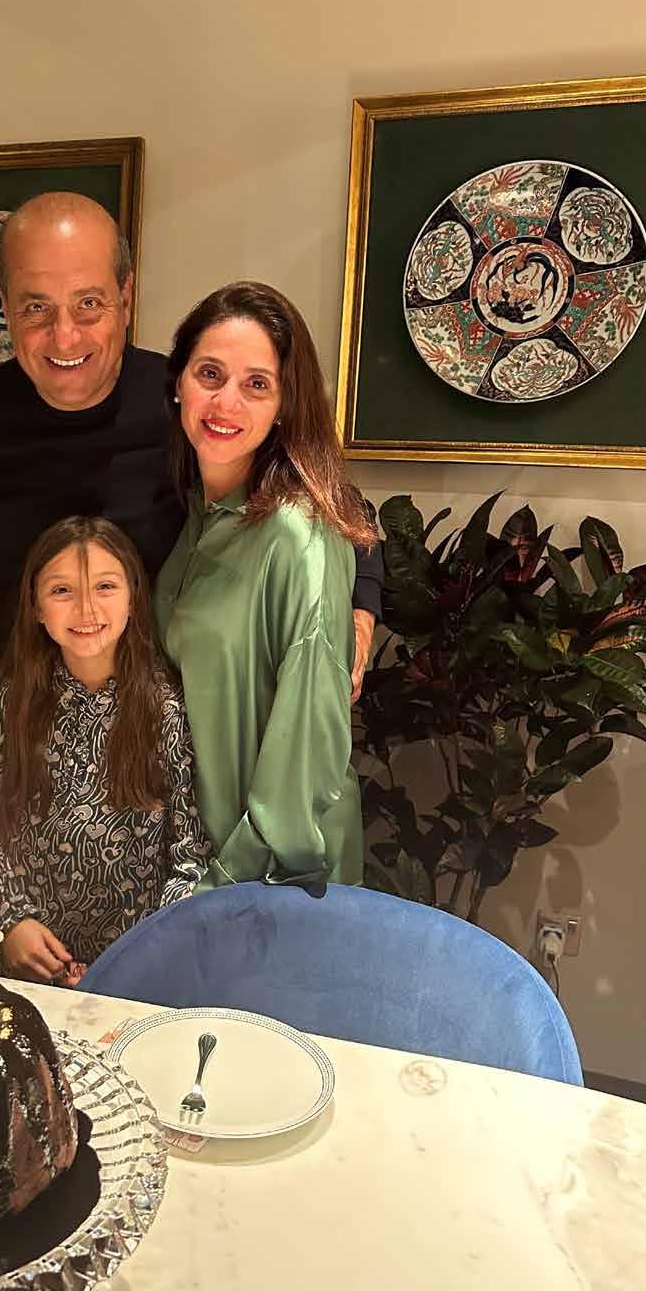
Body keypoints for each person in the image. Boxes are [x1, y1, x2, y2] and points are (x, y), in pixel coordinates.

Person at [0, 193, 382, 768]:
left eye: (88, 304)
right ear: (4, 306)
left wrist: (359, 612)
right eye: (36, 308)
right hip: (3, 748)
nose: (65, 337)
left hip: (152, 752)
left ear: (126, 296)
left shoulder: (185, 403)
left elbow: (332, 503)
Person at [154, 281, 378, 890]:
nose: (226, 402)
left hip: (271, 876)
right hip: (197, 856)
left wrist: (225, 885)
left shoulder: (298, 536)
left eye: (257, 384)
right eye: (210, 374)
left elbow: (307, 759)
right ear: (178, 383)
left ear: (284, 404)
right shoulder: (196, 514)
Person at [0, 514, 210, 983]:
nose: (86, 608)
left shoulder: (165, 710)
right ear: (36, 606)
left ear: (134, 596)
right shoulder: (12, 705)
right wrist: (13, 921)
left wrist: (141, 955)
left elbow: (191, 854)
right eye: (62, 591)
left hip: (136, 970)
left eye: (105, 587)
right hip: (31, 964)